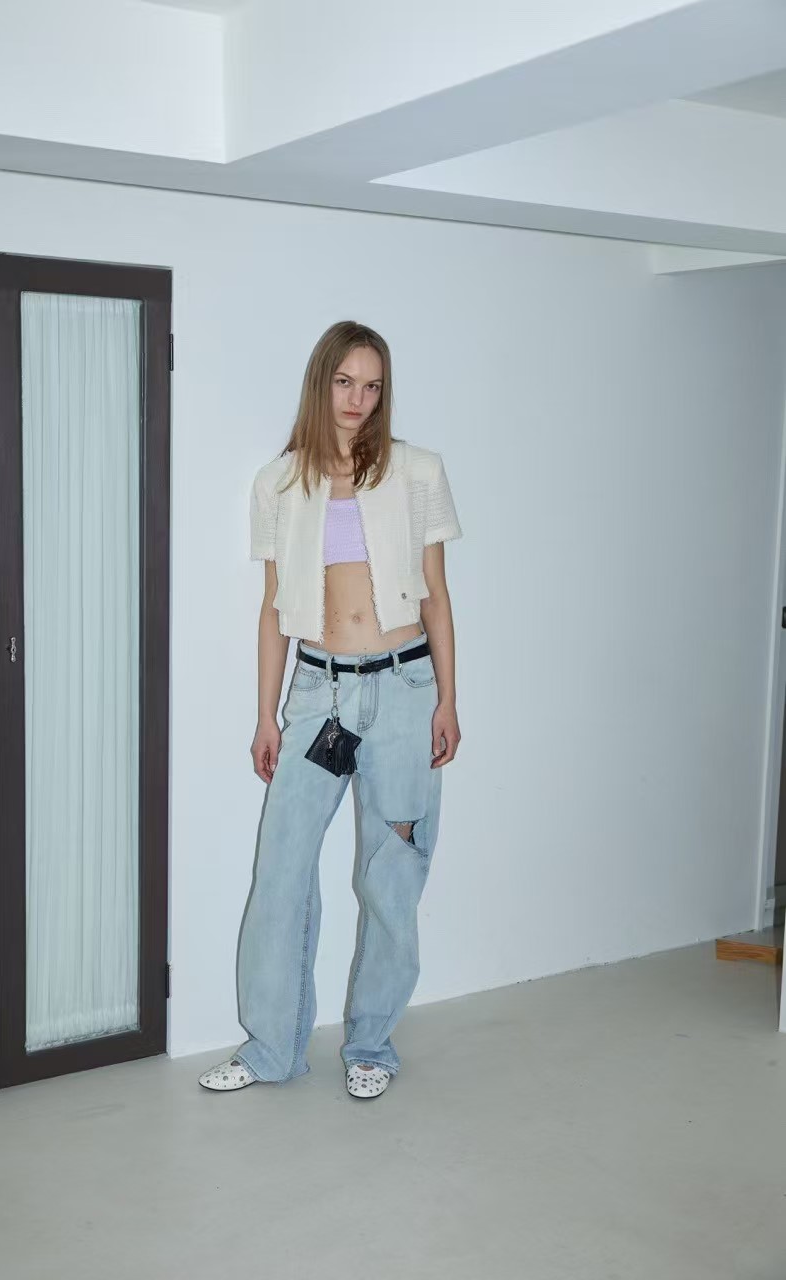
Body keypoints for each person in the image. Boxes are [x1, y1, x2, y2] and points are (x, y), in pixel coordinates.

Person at [199, 320, 462, 1101]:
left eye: (372, 385)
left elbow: (437, 597)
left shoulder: (417, 472)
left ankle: (370, 1045)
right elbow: (273, 607)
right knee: (280, 872)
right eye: (345, 382)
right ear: (322, 384)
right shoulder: (279, 483)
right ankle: (270, 1049)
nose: (357, 399)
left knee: (391, 876)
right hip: (317, 694)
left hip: (404, 690)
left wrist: (448, 700)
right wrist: (266, 715)